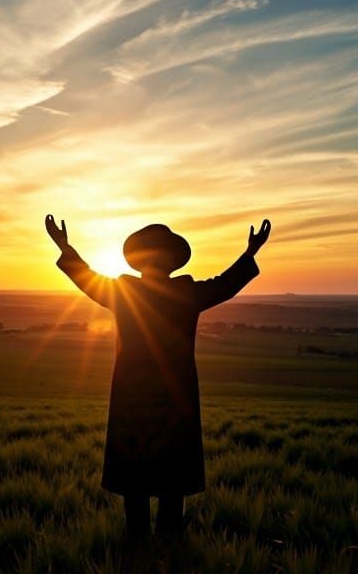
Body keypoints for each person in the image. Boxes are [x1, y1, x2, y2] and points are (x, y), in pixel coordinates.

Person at [44, 213, 271, 544]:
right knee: (170, 483)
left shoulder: (125, 291)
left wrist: (65, 247)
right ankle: (165, 552)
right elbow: (226, 283)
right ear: (171, 261)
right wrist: (250, 253)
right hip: (172, 399)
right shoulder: (183, 292)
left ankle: (144, 551)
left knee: (141, 484)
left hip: (134, 397)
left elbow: (86, 277)